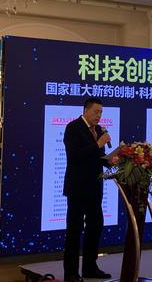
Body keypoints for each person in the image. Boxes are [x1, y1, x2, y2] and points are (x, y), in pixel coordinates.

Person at [63, 97, 112, 282]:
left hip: (95, 187)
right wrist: (98, 144)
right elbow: (74, 156)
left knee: (95, 226)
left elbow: (97, 157)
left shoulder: (98, 130)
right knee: (74, 230)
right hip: (77, 187)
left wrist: (111, 160)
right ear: (85, 110)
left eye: (101, 113)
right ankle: (71, 273)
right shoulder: (73, 128)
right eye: (96, 112)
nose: (99, 116)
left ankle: (90, 268)